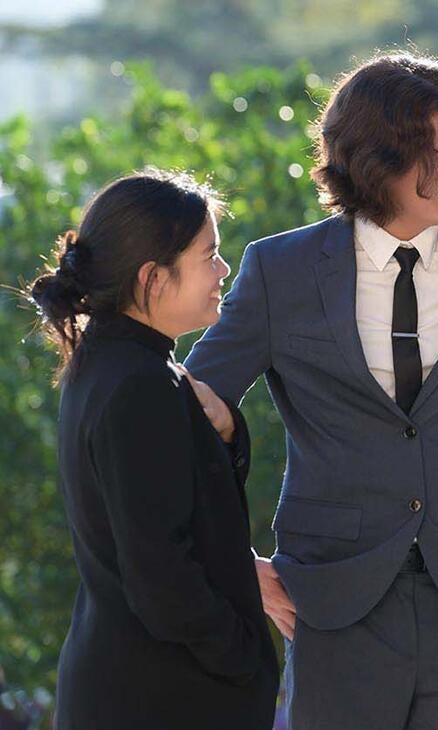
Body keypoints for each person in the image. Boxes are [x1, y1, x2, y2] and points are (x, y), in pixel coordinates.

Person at [183, 53, 438, 728]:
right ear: (383, 159)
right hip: (330, 600)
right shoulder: (282, 270)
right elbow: (186, 418)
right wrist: (234, 562)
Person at [29, 170, 277, 729]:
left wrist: (230, 431)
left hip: (129, 686)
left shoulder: (111, 363)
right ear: (152, 277)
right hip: (162, 699)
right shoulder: (139, 382)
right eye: (209, 255)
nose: (223, 270)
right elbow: (161, 574)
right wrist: (241, 657)